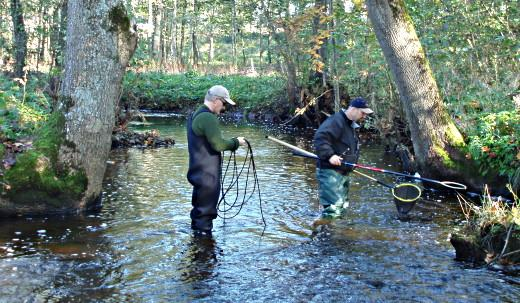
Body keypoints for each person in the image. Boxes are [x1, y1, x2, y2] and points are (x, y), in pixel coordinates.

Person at [186, 85, 246, 237]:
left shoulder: (196, 114)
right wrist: (236, 142)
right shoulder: (208, 118)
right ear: (216, 100)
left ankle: (199, 246)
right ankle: (204, 250)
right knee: (205, 215)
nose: (224, 107)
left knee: (199, 213)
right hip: (207, 176)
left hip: (198, 173)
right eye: (224, 103)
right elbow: (218, 144)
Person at [313, 97, 373, 218]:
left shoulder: (350, 124)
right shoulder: (336, 121)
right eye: (363, 113)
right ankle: (326, 233)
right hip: (330, 172)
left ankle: (338, 233)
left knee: (342, 208)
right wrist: (330, 155)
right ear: (353, 109)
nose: (364, 116)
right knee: (333, 209)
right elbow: (320, 138)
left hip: (343, 172)